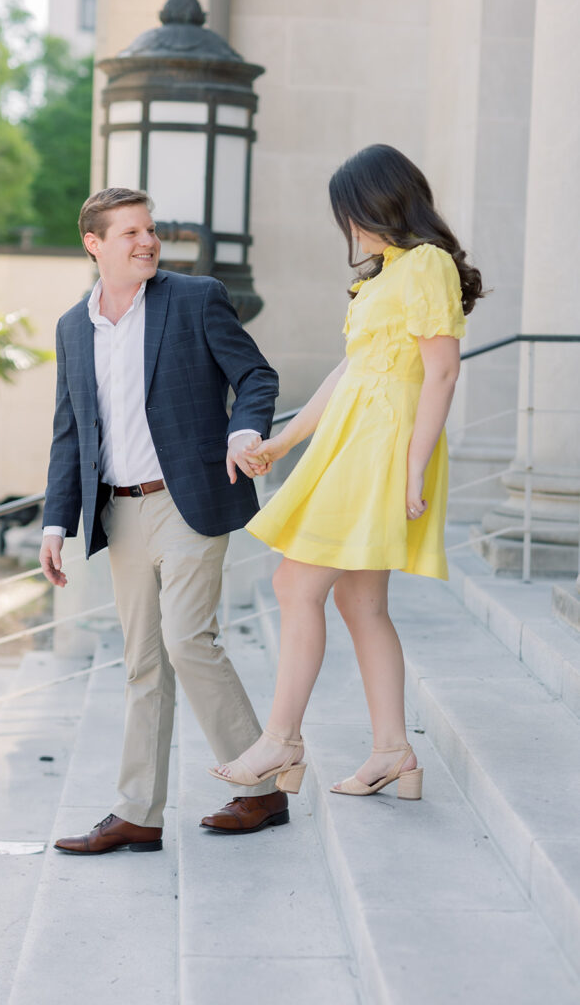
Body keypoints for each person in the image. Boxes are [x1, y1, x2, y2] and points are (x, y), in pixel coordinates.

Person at [210, 144, 483, 799]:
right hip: (353, 439)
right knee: (360, 601)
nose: (350, 228)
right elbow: (348, 373)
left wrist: (415, 465)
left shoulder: (426, 265)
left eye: (354, 212)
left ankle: (282, 740)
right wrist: (283, 440)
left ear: (384, 202)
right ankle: (394, 753)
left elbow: (441, 372)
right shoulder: (383, 276)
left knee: (295, 583)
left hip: (385, 445)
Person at [40, 187, 287, 853]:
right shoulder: (72, 327)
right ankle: (138, 813)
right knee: (143, 661)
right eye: (130, 233)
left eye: (150, 231)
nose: (147, 242)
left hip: (189, 500)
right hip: (119, 512)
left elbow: (256, 376)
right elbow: (71, 432)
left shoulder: (195, 298)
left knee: (186, 640)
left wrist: (245, 431)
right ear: (94, 244)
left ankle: (263, 786)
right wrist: (55, 523)